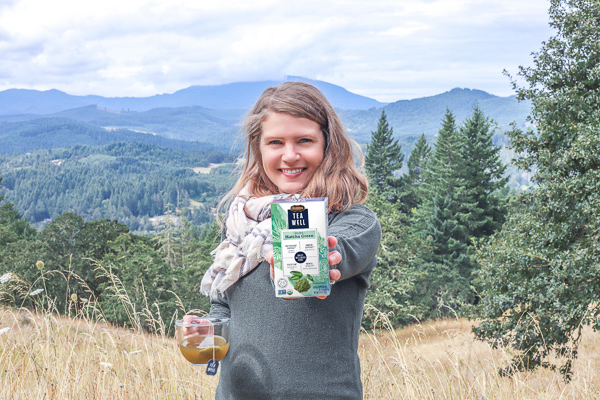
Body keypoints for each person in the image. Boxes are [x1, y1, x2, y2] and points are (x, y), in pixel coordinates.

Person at [195, 81, 381, 399]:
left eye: (304, 140)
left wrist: (321, 257)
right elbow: (223, 306)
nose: (290, 155)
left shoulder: (354, 222)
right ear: (259, 148)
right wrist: (207, 332)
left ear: (328, 145)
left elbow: (339, 251)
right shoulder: (243, 227)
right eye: (276, 142)